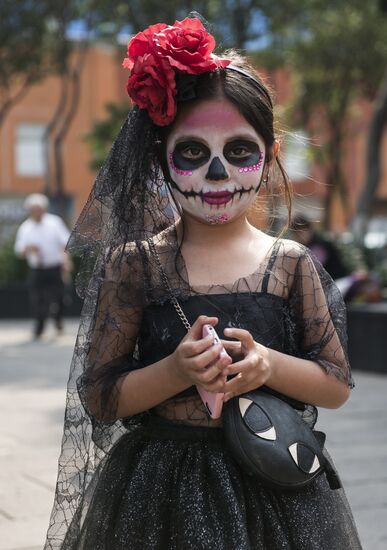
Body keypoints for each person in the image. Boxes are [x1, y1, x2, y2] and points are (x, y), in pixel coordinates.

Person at [45, 18, 362, 549]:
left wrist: (268, 364)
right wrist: (173, 371)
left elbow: (335, 385)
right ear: (161, 160)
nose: (218, 174)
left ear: (270, 155)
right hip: (157, 495)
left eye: (239, 151)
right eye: (192, 152)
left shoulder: (290, 264)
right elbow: (100, 398)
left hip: (275, 486)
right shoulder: (134, 266)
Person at [14, 193, 70, 338]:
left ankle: (58, 320)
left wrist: (66, 260)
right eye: (34, 209)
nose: (37, 212)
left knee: (59, 297)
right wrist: (28, 249)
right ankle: (39, 327)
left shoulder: (54, 223)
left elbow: (65, 243)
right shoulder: (25, 227)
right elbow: (19, 251)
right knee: (38, 299)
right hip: (37, 269)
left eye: (39, 209)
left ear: (44, 209)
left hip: (55, 267)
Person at [289, 215, 350, 281]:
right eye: (295, 233)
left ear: (309, 230)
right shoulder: (306, 245)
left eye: (300, 232)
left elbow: (312, 269)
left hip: (338, 281)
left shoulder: (320, 244)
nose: (299, 236)